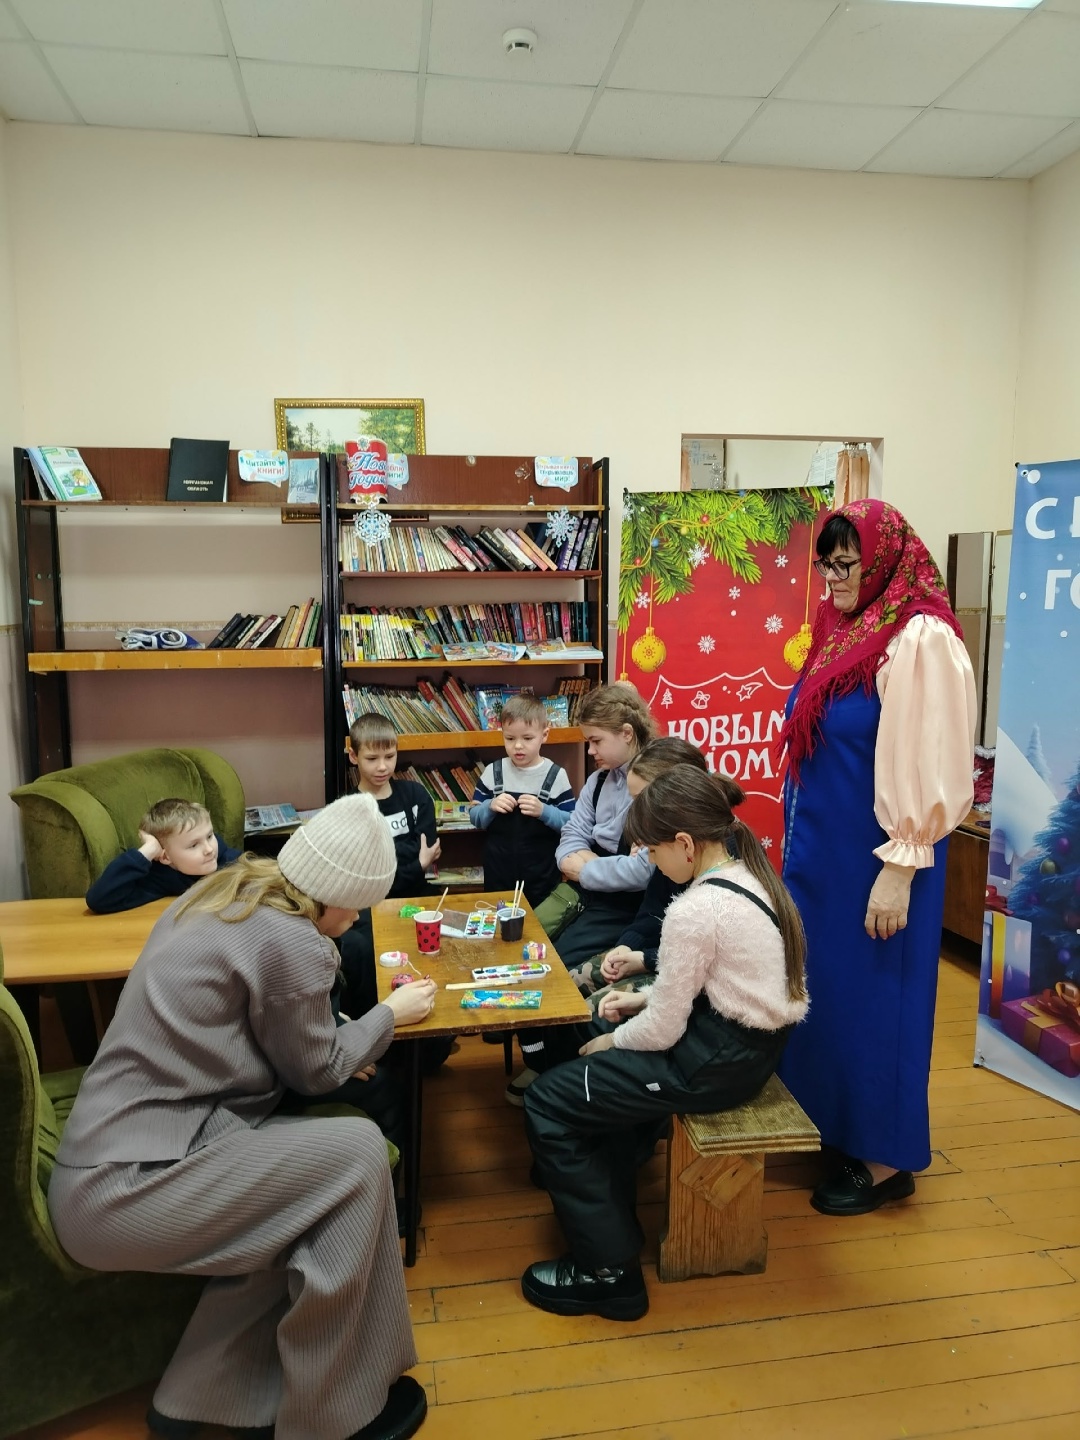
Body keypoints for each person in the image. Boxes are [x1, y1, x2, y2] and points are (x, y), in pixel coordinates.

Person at [47, 793, 435, 1440]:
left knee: (305, 1205)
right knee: (360, 1151)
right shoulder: (296, 942)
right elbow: (317, 1071)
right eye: (357, 905)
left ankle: (197, 1400)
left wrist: (333, 1034)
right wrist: (386, 1018)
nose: (356, 918)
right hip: (128, 1184)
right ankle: (331, 1419)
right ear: (335, 896)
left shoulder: (225, 890)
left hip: (116, 1155)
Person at [520, 766, 808, 1320]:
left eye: (652, 852)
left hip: (715, 1061)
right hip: (740, 1044)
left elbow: (664, 1032)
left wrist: (615, 1041)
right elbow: (709, 985)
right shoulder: (746, 874)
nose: (651, 863)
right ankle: (609, 1190)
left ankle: (608, 1273)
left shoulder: (695, 909)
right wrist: (640, 1001)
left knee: (547, 1101)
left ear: (684, 844)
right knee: (590, 1035)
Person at [777, 498, 977, 1217]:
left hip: (883, 860)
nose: (833, 577)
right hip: (826, 857)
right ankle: (840, 1128)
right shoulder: (845, 627)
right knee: (829, 993)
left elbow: (934, 756)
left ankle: (887, 1158)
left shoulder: (921, 637)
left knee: (880, 1000)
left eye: (846, 563)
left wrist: (899, 869)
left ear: (885, 561)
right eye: (825, 564)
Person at [575, 736, 710, 997]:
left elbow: (698, 958)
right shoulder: (667, 843)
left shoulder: (714, 862)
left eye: (641, 800)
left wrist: (644, 959)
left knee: (595, 1010)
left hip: (684, 977)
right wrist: (626, 945)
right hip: (658, 958)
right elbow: (652, 911)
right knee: (572, 983)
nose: (635, 813)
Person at [540, 682, 658, 970]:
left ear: (627, 733)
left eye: (596, 741)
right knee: (531, 941)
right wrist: (582, 863)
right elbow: (571, 835)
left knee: (556, 964)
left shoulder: (655, 786)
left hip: (625, 906)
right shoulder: (598, 780)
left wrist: (585, 869)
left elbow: (642, 872)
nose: (591, 750)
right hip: (585, 891)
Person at [338, 712, 440, 1017]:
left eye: (390, 756)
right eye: (372, 758)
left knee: (440, 941)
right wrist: (415, 863)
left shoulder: (416, 796)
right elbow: (363, 877)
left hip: (417, 896)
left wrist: (385, 859)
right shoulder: (347, 808)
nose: (382, 766)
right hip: (367, 906)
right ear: (353, 756)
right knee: (361, 952)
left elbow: (425, 847)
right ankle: (375, 1024)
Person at [469, 693, 576, 907]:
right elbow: (474, 816)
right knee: (499, 919)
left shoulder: (556, 775)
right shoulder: (493, 772)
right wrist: (490, 806)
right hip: (498, 873)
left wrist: (545, 811)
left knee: (538, 923)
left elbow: (571, 822)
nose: (518, 746)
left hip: (541, 876)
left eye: (527, 738)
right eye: (510, 738)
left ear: (544, 735)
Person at [85, 797, 241, 913]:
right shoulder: (160, 878)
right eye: (194, 845)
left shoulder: (230, 861)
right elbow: (99, 900)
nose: (209, 849)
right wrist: (147, 851)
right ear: (166, 858)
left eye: (209, 836)